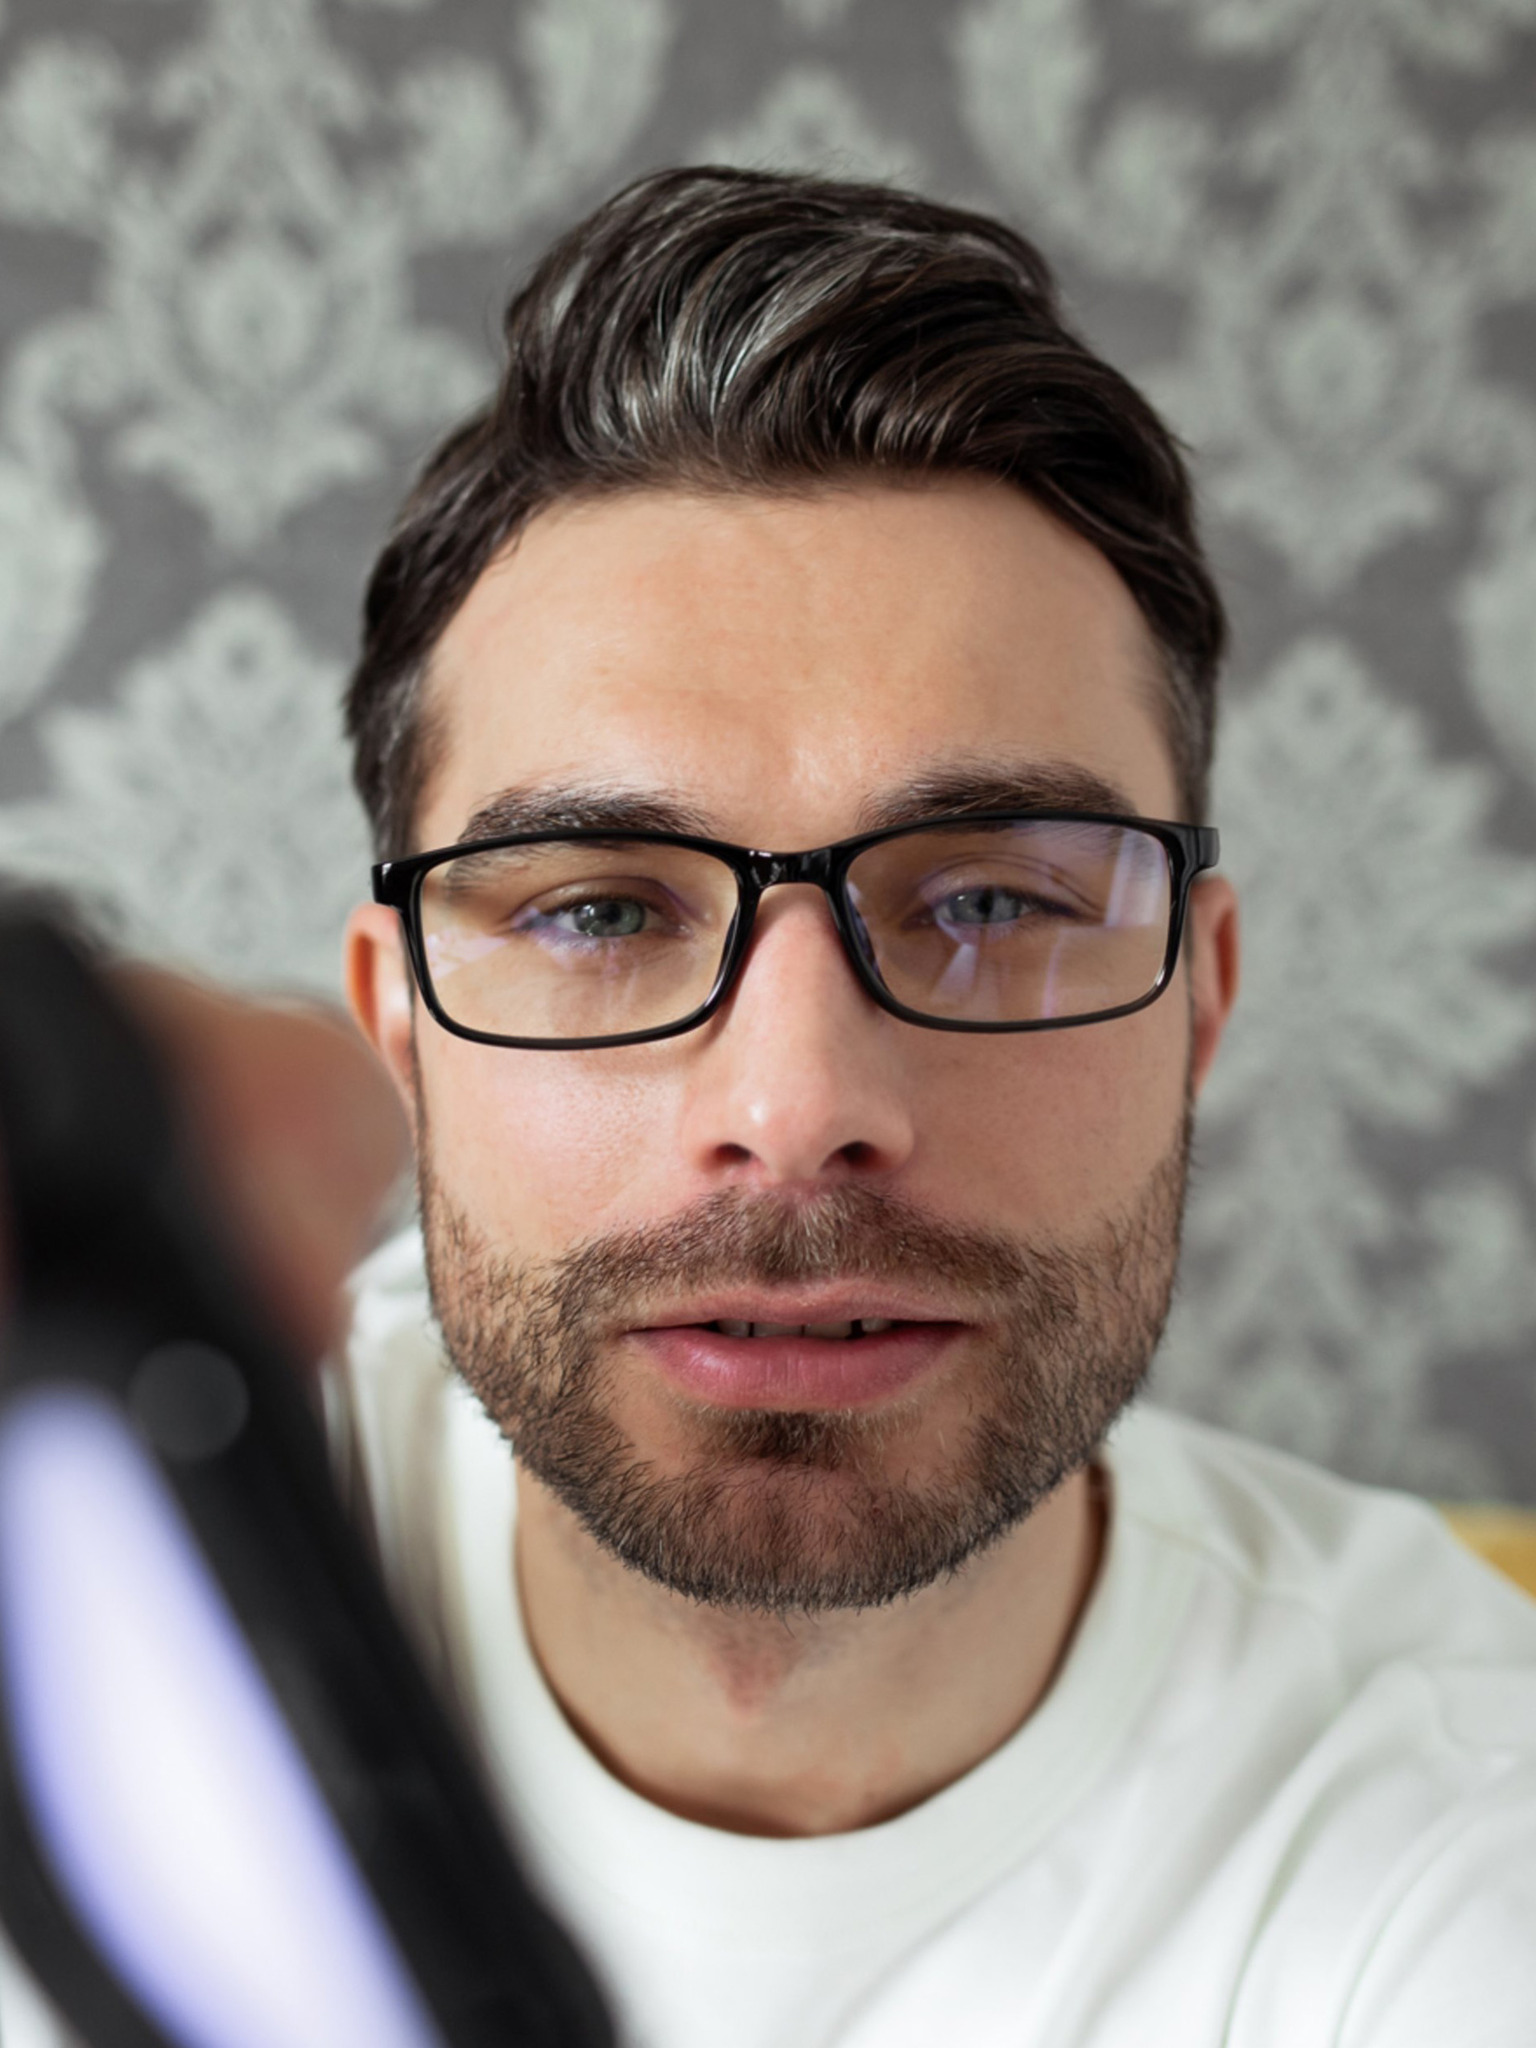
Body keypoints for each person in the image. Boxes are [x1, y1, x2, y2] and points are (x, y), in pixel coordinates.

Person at [4, 167, 1535, 2046]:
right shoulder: (76, 1588)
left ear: (1198, 1002)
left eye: (992, 904)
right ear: (400, 1024)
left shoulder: (1466, 1838)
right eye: (598, 912)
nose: (798, 1103)